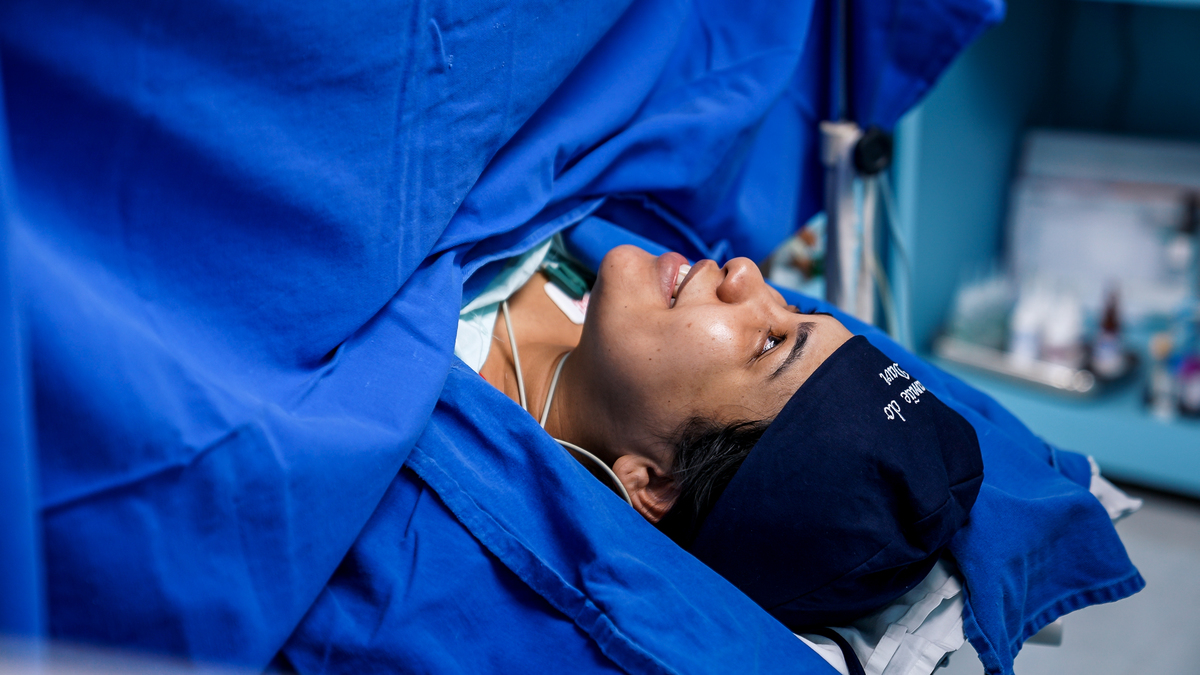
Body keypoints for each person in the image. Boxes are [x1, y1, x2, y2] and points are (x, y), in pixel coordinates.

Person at [459, 239, 983, 632]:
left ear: (656, 485)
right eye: (796, 310)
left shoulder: (430, 377)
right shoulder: (607, 280)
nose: (746, 272)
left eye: (769, 343)